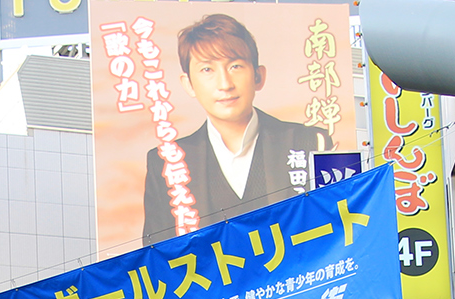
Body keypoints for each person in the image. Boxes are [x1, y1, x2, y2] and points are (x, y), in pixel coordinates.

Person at [138, 12, 333, 244]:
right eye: (207, 70)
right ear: (188, 84)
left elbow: (334, 224)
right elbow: (156, 256)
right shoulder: (165, 162)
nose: (225, 84)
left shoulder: (312, 141)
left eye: (236, 66)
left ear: (259, 76)